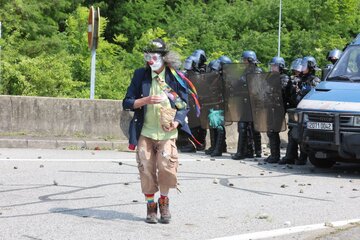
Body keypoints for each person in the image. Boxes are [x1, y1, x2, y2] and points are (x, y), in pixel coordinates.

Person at [123, 38, 196, 224]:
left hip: (167, 133)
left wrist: (177, 122)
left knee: (166, 168)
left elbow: (184, 105)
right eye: (147, 56)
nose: (150, 60)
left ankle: (164, 202)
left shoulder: (175, 77)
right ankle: (150, 206)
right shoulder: (141, 75)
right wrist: (145, 100)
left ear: (164, 57)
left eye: (154, 56)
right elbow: (127, 102)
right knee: (146, 168)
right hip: (145, 132)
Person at [281, 56, 321, 165]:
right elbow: (290, 95)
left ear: (310, 66)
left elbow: (314, 97)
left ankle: (303, 157)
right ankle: (291, 156)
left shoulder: (315, 80)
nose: (302, 68)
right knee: (293, 133)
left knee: (303, 134)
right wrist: (292, 87)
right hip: (296, 109)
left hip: (307, 111)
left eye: (304, 65)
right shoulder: (299, 79)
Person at [232, 50, 262, 160]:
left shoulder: (257, 71)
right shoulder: (245, 71)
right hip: (245, 102)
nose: (243, 61)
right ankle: (246, 151)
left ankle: (256, 151)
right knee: (243, 127)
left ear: (250, 60)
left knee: (254, 128)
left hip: (254, 104)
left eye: (244, 59)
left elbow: (256, 87)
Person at [178, 50, 207, 152]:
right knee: (190, 123)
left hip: (200, 101)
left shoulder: (204, 70)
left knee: (200, 125)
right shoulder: (187, 73)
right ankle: (190, 144)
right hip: (189, 100)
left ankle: (199, 144)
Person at [204, 55, 231, 157]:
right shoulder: (216, 76)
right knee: (213, 125)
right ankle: (215, 147)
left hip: (220, 104)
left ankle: (219, 149)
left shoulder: (226, 77)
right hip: (213, 102)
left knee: (219, 127)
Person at [265, 56, 290, 163]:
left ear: (280, 66)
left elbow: (280, 91)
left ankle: (276, 156)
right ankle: (274, 154)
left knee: (273, 130)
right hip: (271, 106)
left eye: (274, 65)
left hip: (280, 107)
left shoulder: (284, 77)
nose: (272, 67)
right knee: (270, 131)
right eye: (272, 65)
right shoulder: (270, 77)